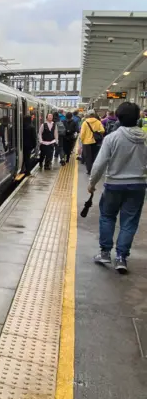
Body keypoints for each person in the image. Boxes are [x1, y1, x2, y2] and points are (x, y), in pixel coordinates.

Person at [89, 102, 147, 273]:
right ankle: (121, 257)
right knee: (129, 222)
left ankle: (105, 253)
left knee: (107, 217)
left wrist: (92, 184)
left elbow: (99, 165)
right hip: (138, 186)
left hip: (114, 185)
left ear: (119, 117)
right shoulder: (144, 139)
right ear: (138, 118)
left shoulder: (112, 138)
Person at [80, 109, 105, 175]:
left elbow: (82, 133)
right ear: (94, 115)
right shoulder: (98, 122)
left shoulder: (85, 122)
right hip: (96, 141)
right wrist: (97, 132)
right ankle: (94, 170)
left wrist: (81, 140)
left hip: (86, 142)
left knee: (88, 157)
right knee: (94, 156)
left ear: (88, 115)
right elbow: (102, 130)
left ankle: (89, 170)